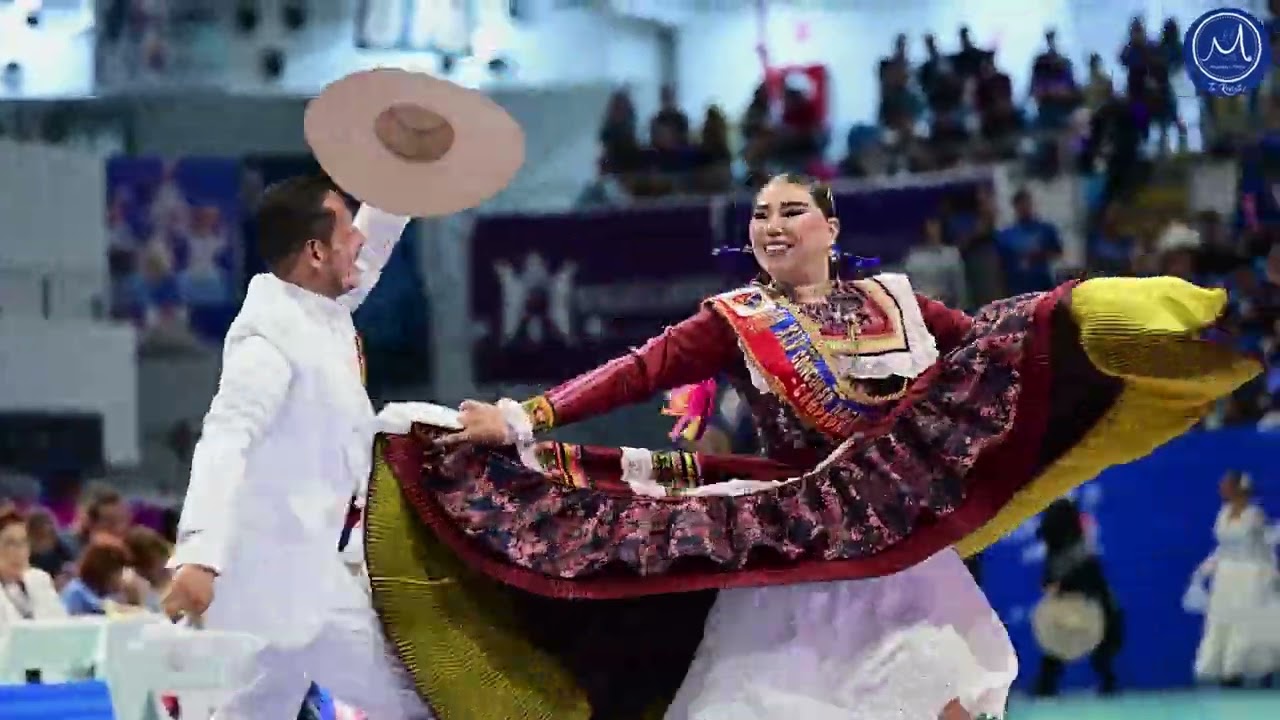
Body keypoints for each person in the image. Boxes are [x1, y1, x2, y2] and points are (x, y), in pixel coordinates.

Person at [362, 174, 1260, 720]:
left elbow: (993, 353)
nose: (770, 225)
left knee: (942, 688)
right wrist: (523, 418)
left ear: (832, 229)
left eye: (791, 209)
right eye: (759, 214)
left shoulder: (902, 304)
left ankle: (1213, 317)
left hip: (902, 551)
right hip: (793, 551)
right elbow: (637, 373)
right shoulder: (738, 319)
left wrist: (1080, 342)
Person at [158, 174, 430, 719]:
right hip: (283, 577)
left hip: (290, 574)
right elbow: (225, 439)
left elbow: (364, 257)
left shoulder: (318, 312)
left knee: (253, 712)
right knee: (420, 699)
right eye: (347, 229)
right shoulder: (267, 343)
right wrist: (198, 554)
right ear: (313, 252)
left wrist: (402, 168)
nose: (359, 240)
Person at [1193, 471, 1280, 685]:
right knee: (1223, 620)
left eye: (1226, 485)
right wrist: (1204, 570)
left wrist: (1271, 573)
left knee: (1249, 622)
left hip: (1250, 576)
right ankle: (1227, 671)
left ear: (1237, 489)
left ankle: (1252, 668)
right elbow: (1222, 548)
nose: (1221, 488)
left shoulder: (1254, 515)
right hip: (1225, 578)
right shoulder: (1222, 513)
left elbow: (1264, 546)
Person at [1032, 498, 1122, 696]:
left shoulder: (1080, 551)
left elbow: (1089, 580)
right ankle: (1046, 686)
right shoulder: (1058, 550)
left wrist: (1061, 586)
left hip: (1092, 605)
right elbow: (1049, 582)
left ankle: (1106, 682)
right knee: (1056, 645)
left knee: (1098, 647)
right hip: (1069, 609)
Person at [0, 509, 67, 629]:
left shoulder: (40, 580)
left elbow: (61, 627)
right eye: (10, 543)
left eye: (23, 542)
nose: (19, 551)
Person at [61, 536, 135, 616]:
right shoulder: (75, 593)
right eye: (119, 572)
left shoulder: (112, 595)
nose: (121, 577)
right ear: (104, 570)